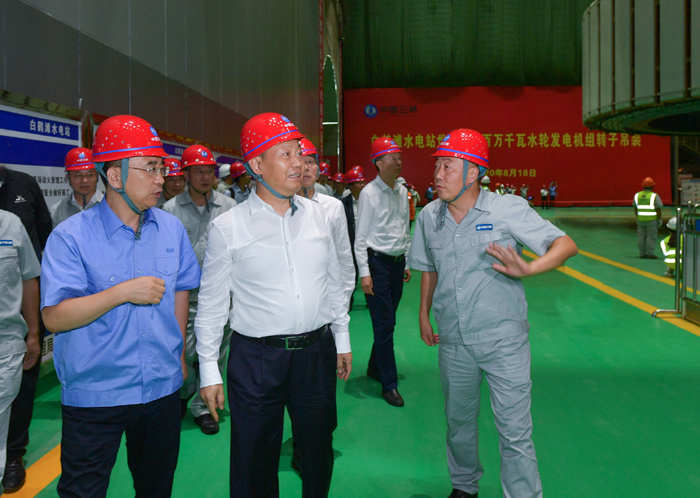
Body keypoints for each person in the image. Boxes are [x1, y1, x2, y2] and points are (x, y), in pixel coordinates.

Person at [408, 129, 578, 498]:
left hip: (503, 340)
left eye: (447, 166)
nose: (437, 174)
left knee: (515, 432)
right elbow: (429, 268)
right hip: (453, 339)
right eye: (437, 165)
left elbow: (565, 244)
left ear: (473, 173)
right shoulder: (429, 216)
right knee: (458, 424)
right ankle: (464, 485)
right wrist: (423, 313)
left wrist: (530, 268)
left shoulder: (507, 209)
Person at [40, 115, 201, 498]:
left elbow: (181, 291)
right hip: (96, 393)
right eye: (150, 168)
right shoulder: (70, 237)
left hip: (160, 390)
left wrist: (178, 354)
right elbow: (54, 317)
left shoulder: (171, 229)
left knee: (156, 487)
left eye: (162, 168)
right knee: (83, 491)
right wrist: (121, 292)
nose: (161, 179)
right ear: (114, 176)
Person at [194, 112, 352, 498]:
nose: (299, 162)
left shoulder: (321, 216)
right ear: (256, 165)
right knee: (254, 461)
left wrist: (342, 337)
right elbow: (212, 305)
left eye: (299, 152)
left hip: (315, 353)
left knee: (317, 452)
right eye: (286, 154)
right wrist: (209, 371)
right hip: (256, 360)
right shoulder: (228, 227)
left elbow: (334, 282)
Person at [162, 145, 237, 434]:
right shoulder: (170, 210)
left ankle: (203, 407)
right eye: (198, 171)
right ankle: (186, 392)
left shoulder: (229, 206)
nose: (205, 177)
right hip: (186, 297)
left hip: (221, 295)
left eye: (209, 171)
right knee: (187, 350)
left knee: (216, 351)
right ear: (186, 175)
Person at [0, 164, 51, 493]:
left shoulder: (21, 193)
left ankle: (14, 455)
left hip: (12, 331)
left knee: (19, 392)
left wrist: (34, 332)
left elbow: (31, 274)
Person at [355, 136, 411, 407]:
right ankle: (389, 385)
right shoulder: (369, 193)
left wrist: (406, 261)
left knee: (388, 321)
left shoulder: (402, 191)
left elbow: (404, 227)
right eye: (392, 157)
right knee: (384, 323)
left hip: (397, 263)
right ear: (378, 162)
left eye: (399, 157)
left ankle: (374, 367)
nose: (398, 161)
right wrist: (364, 273)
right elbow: (360, 238)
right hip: (376, 265)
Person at [0, 209, 41, 497]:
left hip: (5, 345)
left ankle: (11, 458)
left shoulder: (11, 225)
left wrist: (34, 334)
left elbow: (28, 280)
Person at [50, 148, 104, 227]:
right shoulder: (57, 211)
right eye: (77, 175)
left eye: (90, 175)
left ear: (97, 175)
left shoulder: (111, 206)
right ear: (67, 177)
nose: (84, 180)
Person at [341, 167, 366, 311]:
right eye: (358, 183)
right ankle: (347, 303)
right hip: (349, 244)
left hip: (367, 245)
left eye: (363, 182)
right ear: (350, 186)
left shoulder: (370, 201)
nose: (362, 185)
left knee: (370, 275)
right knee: (350, 274)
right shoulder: (342, 204)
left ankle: (372, 302)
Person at [634, 177, 663, 259]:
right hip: (651, 220)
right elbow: (658, 208)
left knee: (641, 237)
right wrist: (659, 219)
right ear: (652, 186)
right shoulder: (654, 196)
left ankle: (642, 253)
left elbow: (635, 207)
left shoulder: (637, 195)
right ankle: (649, 254)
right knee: (651, 237)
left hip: (640, 219)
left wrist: (638, 217)